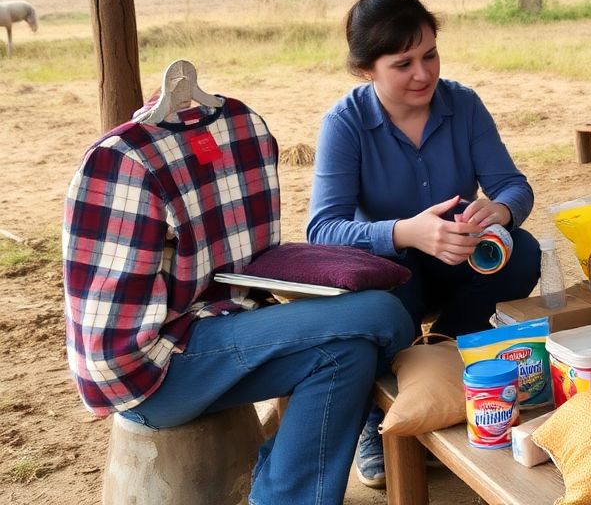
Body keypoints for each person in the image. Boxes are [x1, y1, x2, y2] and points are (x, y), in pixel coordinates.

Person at [63, 95, 415, 505]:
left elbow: (248, 260)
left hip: (211, 328)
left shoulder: (241, 131)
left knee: (349, 353)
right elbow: (107, 340)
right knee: (383, 312)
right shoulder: (121, 165)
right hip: (151, 374)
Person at [307, 0, 541, 487]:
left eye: (430, 55)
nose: (423, 73)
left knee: (522, 252)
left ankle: (449, 369)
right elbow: (323, 228)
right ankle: (379, 416)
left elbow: (513, 186)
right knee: (385, 290)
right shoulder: (343, 124)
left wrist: (498, 213)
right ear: (366, 70)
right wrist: (406, 233)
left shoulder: (464, 104)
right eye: (403, 63)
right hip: (395, 269)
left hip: (462, 260)